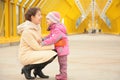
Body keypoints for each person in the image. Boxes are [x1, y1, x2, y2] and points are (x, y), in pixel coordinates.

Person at [17, 8, 57, 79]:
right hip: (26, 55)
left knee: (54, 52)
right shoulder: (27, 31)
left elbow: (40, 41)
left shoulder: (37, 27)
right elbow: (37, 47)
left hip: (34, 52)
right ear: (32, 17)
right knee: (52, 53)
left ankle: (37, 70)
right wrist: (53, 46)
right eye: (39, 15)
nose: (41, 17)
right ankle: (27, 68)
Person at [41, 11, 69, 80]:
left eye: (48, 19)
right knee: (61, 63)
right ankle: (62, 74)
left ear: (54, 20)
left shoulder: (57, 29)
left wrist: (44, 43)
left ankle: (63, 76)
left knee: (63, 64)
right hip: (61, 48)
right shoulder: (54, 28)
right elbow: (50, 35)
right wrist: (44, 38)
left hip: (62, 49)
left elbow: (53, 39)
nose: (46, 20)